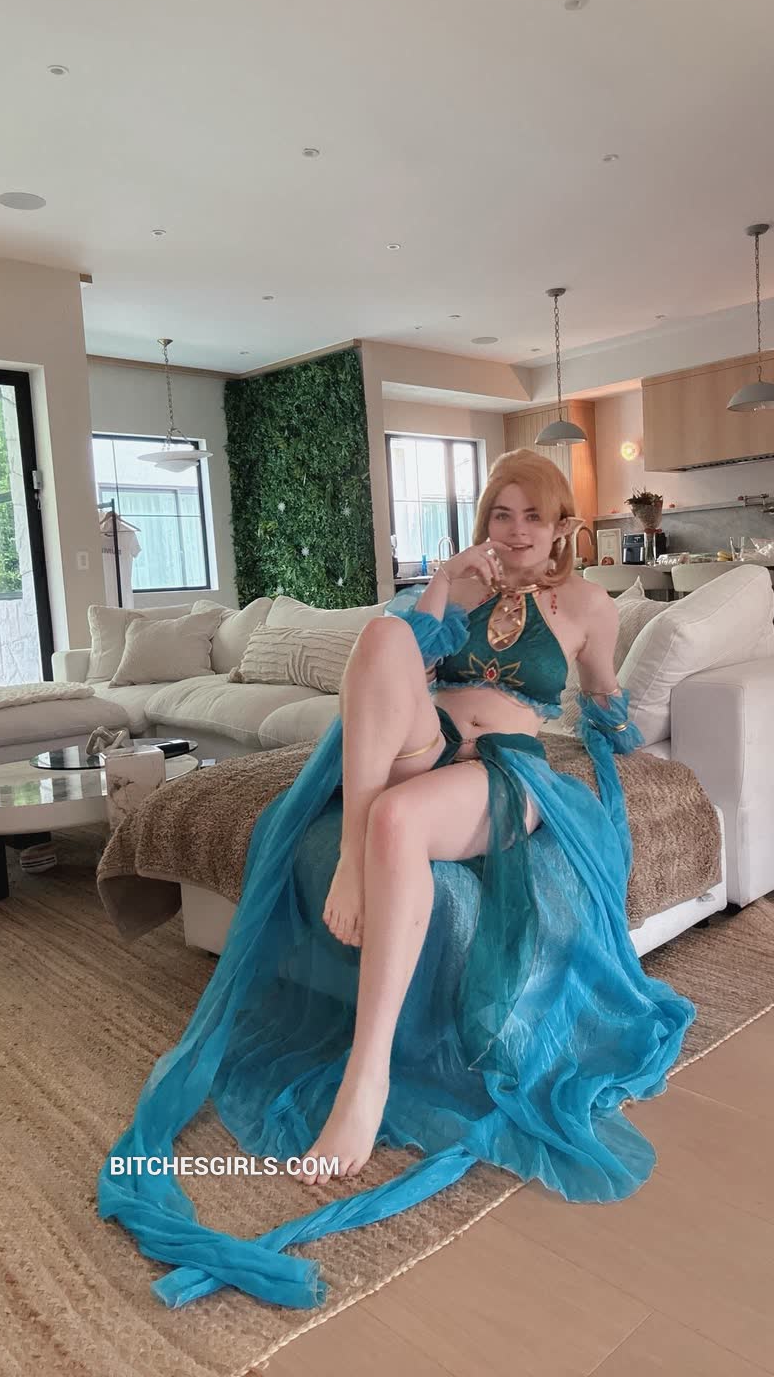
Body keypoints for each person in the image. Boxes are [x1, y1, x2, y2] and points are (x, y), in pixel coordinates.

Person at [98, 448, 695, 1311]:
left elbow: (602, 695)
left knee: (395, 821)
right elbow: (392, 677)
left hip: (505, 770)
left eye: (533, 516)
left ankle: (366, 1075)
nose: (515, 532)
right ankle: (353, 857)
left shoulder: (590, 605)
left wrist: (621, 733)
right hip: (424, 746)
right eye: (500, 514)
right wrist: (441, 589)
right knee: (385, 635)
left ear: (564, 526)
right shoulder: (465, 584)